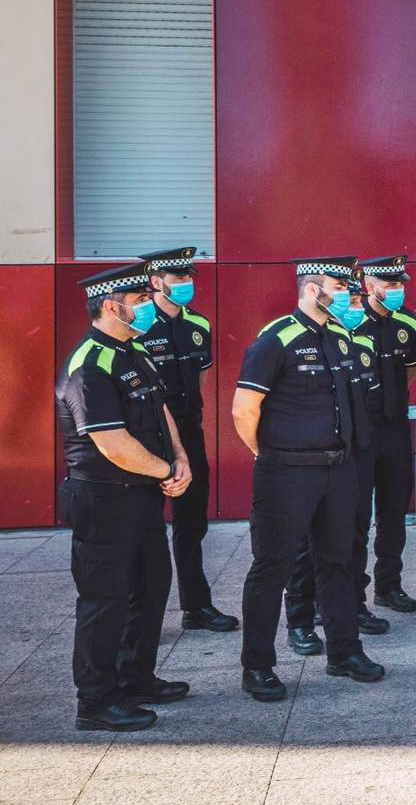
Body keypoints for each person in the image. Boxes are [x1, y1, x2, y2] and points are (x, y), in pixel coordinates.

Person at [233, 257, 385, 702]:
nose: (347, 293)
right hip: (286, 472)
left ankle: (344, 651)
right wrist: (269, 454)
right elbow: (245, 410)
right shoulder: (275, 338)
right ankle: (257, 666)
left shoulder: (342, 338)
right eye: (339, 285)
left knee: (338, 562)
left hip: (338, 470)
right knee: (272, 568)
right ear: (312, 288)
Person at [57, 263, 192, 732]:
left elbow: (163, 412)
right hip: (102, 498)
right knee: (104, 598)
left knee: (151, 586)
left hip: (142, 494)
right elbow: (111, 441)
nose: (147, 307)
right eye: (138, 301)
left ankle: (135, 677)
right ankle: (95, 701)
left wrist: (179, 458)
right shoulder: (89, 365)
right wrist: (165, 471)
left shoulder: (135, 352)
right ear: (113, 306)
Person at [136, 247, 237, 633]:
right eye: (177, 278)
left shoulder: (199, 325)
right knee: (142, 529)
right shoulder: (140, 325)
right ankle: (142, 620)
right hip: (146, 438)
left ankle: (196, 606)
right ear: (156, 281)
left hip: (188, 434)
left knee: (191, 524)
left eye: (187, 277)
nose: (185, 284)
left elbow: (200, 381)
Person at [284, 279, 388, 649]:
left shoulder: (358, 342)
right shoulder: (291, 337)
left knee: (353, 534)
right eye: (349, 296)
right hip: (312, 456)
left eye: (358, 298)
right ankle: (300, 618)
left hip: (354, 453)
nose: (353, 304)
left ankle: (352, 605)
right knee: (304, 542)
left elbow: (366, 400)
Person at [356, 255, 416, 614]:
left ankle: (388, 585)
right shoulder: (351, 321)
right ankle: (352, 596)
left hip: (395, 428)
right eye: (390, 284)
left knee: (394, 512)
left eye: (400, 284)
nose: (397, 290)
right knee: (352, 517)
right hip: (361, 432)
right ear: (370, 286)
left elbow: (412, 370)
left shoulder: (407, 321)